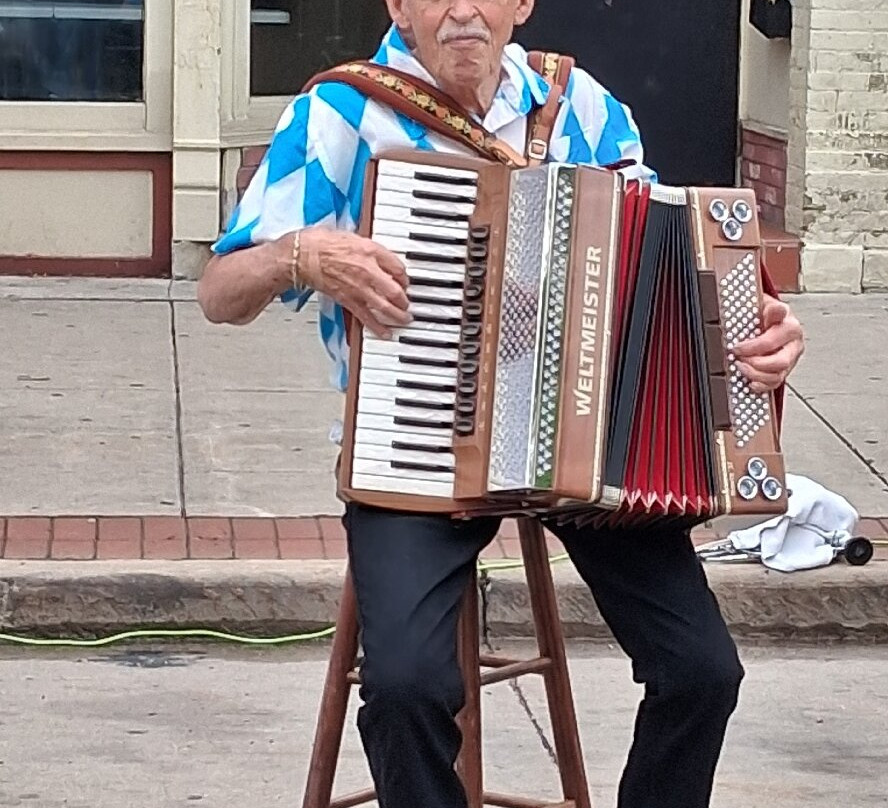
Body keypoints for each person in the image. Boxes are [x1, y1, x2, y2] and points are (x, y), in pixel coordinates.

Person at [198, 1, 806, 806]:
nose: (460, 10)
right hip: (417, 452)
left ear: (520, 3)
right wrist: (299, 254)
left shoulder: (579, 106)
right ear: (398, 5)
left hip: (586, 453)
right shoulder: (339, 116)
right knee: (407, 688)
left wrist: (755, 321)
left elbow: (675, 258)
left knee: (702, 671)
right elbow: (220, 291)